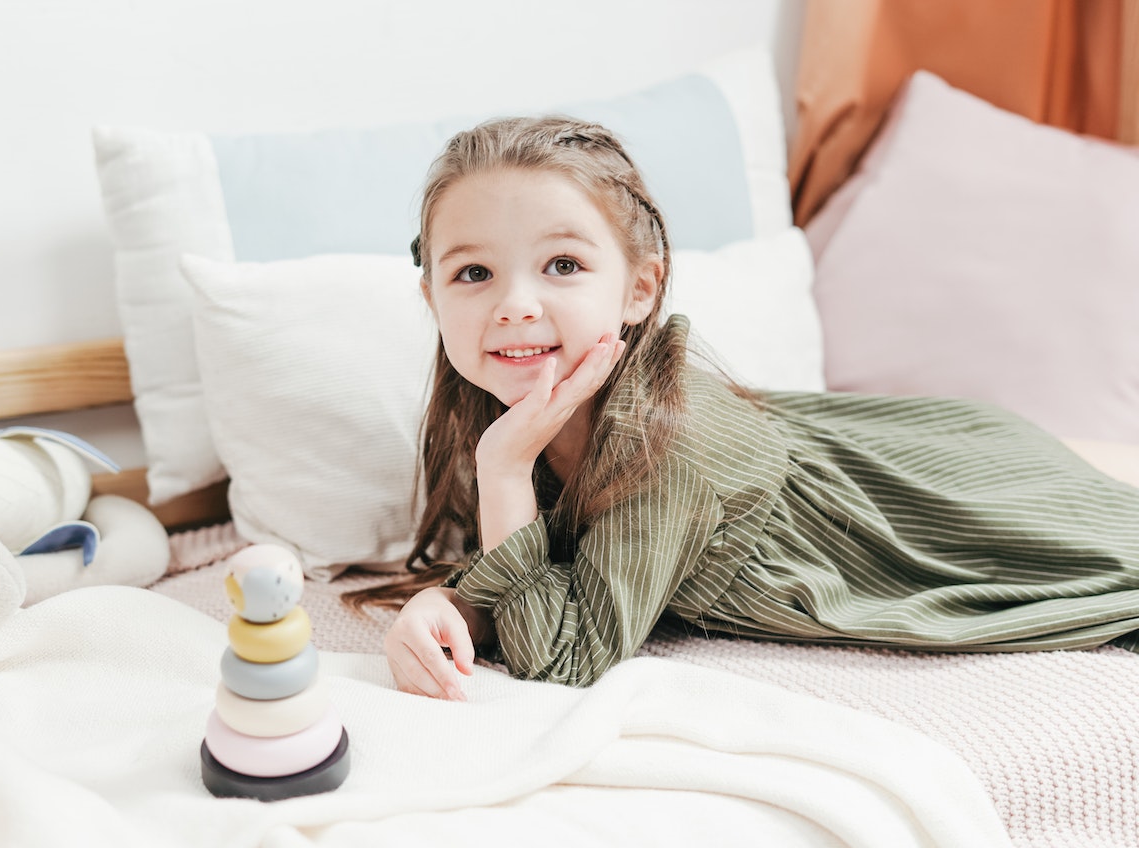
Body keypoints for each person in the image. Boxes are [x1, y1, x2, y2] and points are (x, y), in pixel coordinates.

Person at [350, 115, 1139, 700]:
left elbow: (559, 656)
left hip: (958, 509)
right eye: (473, 274)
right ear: (432, 296)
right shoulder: (514, 412)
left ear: (639, 289)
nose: (516, 304)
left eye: (562, 264)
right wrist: (451, 602)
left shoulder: (662, 440)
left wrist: (504, 466)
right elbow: (551, 561)